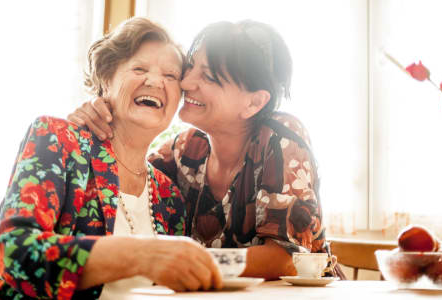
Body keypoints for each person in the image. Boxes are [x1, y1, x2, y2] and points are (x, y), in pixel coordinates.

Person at [0, 17, 222, 300]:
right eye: (139, 68)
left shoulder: (170, 197)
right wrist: (138, 254)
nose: (154, 81)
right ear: (105, 80)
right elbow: (15, 252)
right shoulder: (58, 140)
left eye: (171, 76)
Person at [69, 20, 342, 280]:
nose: (185, 83)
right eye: (190, 68)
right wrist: (101, 111)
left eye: (209, 76)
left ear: (254, 103)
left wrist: (184, 262)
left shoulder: (281, 137)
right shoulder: (186, 148)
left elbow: (285, 258)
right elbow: (127, 170)